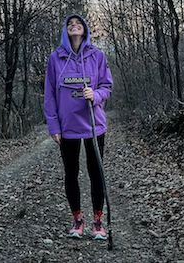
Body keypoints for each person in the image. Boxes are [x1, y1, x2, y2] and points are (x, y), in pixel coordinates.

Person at [44, 14, 113, 240]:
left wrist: (96, 95)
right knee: (71, 173)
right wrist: (53, 125)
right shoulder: (56, 59)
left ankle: (98, 221)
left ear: (85, 29)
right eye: (70, 24)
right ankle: (77, 220)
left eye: (79, 23)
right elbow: (50, 95)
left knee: (96, 174)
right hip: (67, 127)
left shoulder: (97, 56)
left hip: (94, 126)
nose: (74, 26)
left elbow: (106, 86)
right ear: (65, 31)